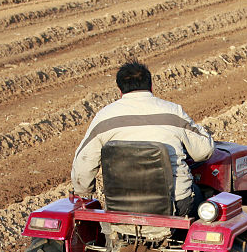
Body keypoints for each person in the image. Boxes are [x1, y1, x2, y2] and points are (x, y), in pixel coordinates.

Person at [71, 62, 214, 216]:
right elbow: (203, 151)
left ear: (120, 91)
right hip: (176, 206)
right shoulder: (173, 112)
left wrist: (83, 192)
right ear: (151, 86)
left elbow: (82, 166)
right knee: (206, 196)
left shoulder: (103, 118)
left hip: (120, 207)